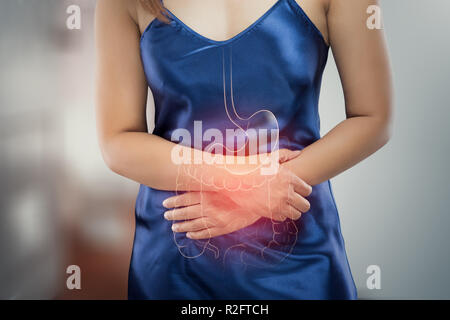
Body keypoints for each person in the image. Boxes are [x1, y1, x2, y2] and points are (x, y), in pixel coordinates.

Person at [95, 0, 392, 299]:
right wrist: (249, 186)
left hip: (297, 250)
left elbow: (373, 118)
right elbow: (117, 141)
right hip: (178, 252)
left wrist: (259, 190)